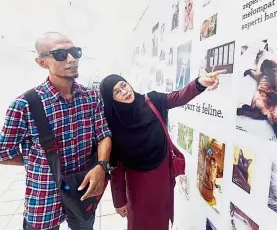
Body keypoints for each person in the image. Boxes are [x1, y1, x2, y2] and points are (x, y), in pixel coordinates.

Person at [0, 32, 112, 230]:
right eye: (60, 54)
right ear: (42, 62)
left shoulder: (91, 97)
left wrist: (101, 166)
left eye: (75, 52)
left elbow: (103, 134)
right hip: (44, 197)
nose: (72, 59)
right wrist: (38, 161)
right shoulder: (24, 105)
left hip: (82, 188)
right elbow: (3, 152)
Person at [100, 69, 226, 230]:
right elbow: (116, 169)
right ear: (112, 100)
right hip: (136, 182)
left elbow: (178, 97)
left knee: (161, 220)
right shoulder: (115, 125)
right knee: (139, 222)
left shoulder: (152, 101)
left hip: (162, 175)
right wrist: (119, 201)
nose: (124, 92)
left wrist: (199, 83)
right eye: (117, 92)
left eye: (124, 85)